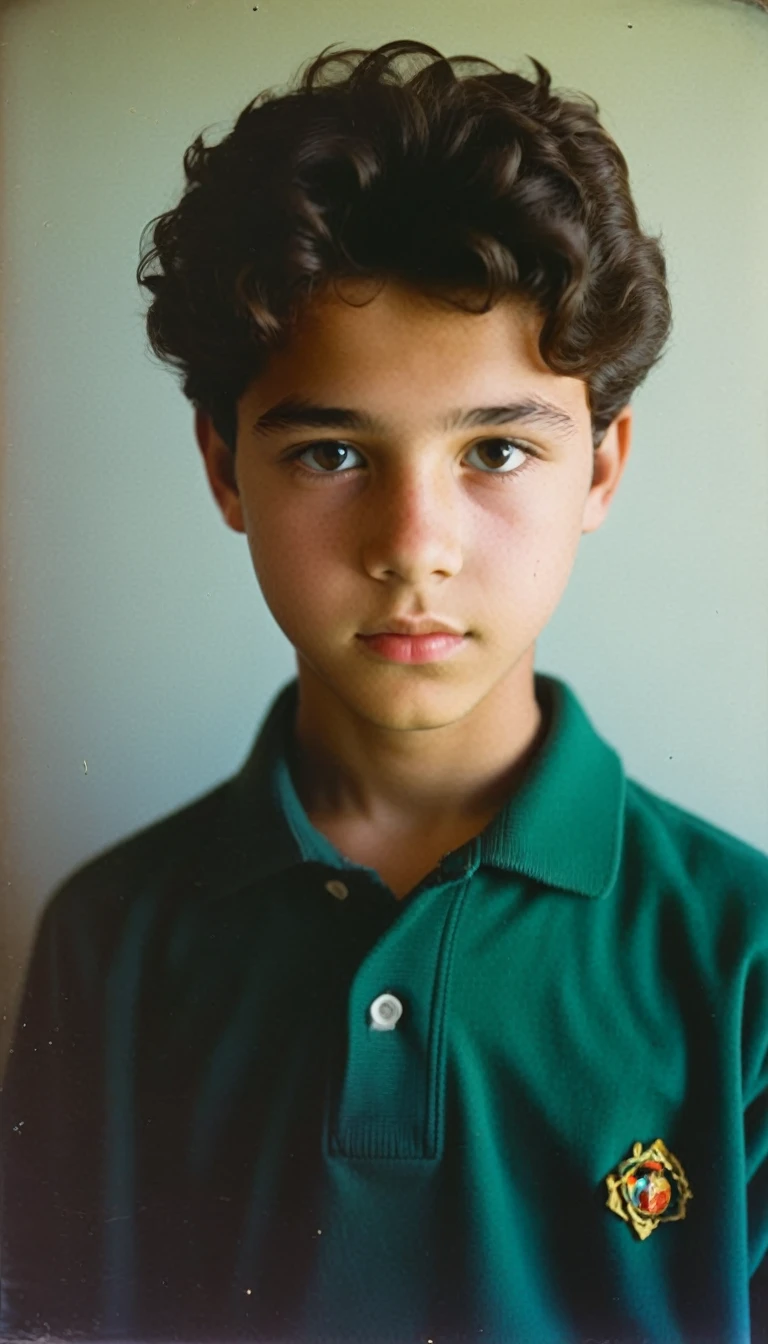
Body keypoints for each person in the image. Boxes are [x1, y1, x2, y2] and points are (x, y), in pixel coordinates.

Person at [2, 36, 767, 1344]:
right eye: (335, 448)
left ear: (600, 467)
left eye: (498, 448)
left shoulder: (742, 953)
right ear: (227, 467)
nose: (414, 541)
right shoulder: (108, 942)